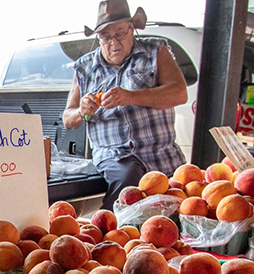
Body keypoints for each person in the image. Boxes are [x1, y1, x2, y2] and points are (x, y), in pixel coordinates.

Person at [63, 0, 188, 209]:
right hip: (115, 155)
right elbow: (68, 118)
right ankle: (111, 235)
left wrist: (131, 97)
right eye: (105, 37)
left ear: (132, 29)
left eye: (119, 33)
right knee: (127, 184)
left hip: (162, 155)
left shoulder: (155, 51)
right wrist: (82, 111)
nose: (113, 42)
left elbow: (179, 93)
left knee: (184, 198)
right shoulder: (84, 68)